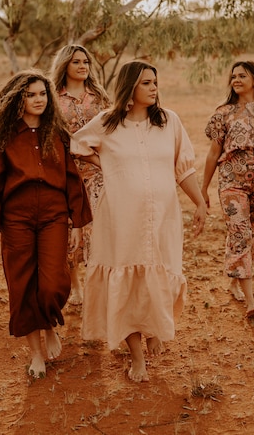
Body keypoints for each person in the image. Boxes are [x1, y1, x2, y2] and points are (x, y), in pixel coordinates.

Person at [72, 60, 206, 382]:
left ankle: (154, 330)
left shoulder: (169, 122)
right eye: (146, 82)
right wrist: (103, 161)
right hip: (120, 218)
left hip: (163, 218)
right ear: (130, 87)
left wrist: (200, 202)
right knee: (127, 280)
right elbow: (75, 144)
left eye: (155, 82)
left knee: (160, 275)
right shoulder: (108, 123)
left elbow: (183, 169)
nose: (154, 87)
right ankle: (136, 357)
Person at [0, 70, 92, 379]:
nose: (38, 99)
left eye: (42, 94)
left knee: (54, 282)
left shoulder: (57, 133)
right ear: (18, 99)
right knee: (22, 286)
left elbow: (72, 178)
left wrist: (77, 224)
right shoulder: (4, 136)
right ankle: (36, 354)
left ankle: (50, 321)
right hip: (16, 219)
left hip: (54, 215)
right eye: (31, 95)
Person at [201, 61, 254, 319]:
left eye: (242, 75)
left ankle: (236, 278)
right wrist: (203, 188)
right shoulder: (223, 113)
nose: (236, 79)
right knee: (239, 231)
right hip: (231, 180)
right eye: (233, 76)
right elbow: (213, 153)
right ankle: (250, 300)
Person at [49, 44, 111, 305]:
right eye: (76, 62)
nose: (83, 66)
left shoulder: (98, 97)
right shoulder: (53, 98)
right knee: (70, 229)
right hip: (65, 173)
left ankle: (98, 286)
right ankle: (75, 288)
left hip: (97, 171)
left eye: (86, 61)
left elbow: (109, 131)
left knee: (98, 229)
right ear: (65, 65)